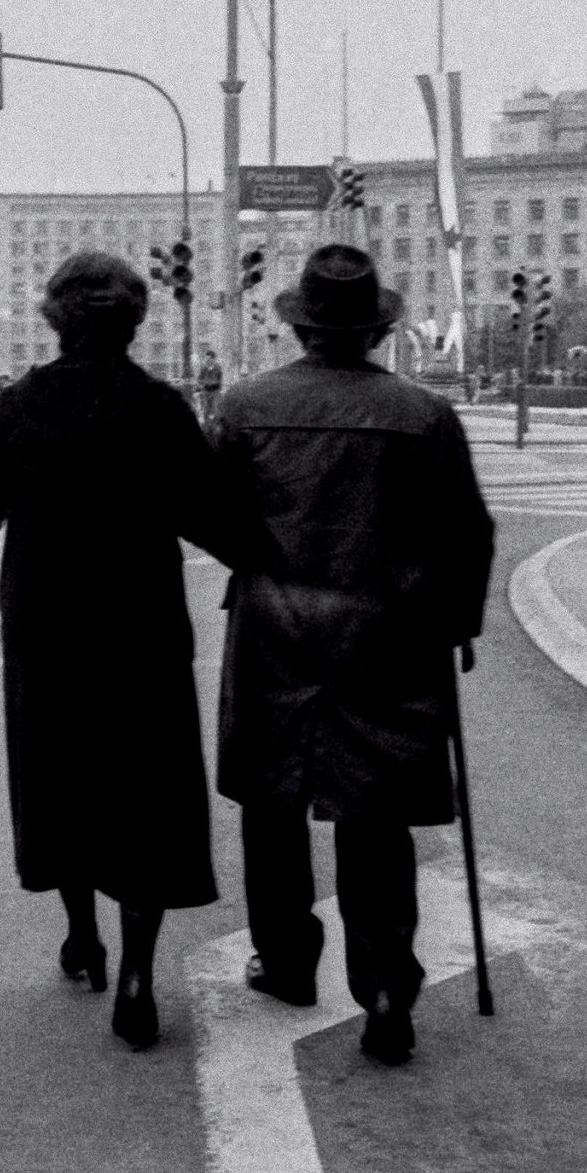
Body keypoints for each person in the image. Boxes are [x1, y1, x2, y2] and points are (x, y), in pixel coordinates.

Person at [0, 253, 269, 1051]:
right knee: (145, 792)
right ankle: (138, 976)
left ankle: (83, 936)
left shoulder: (19, 406)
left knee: (63, 780)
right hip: (141, 630)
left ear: (55, 320)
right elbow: (216, 523)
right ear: (135, 321)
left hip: (48, 631)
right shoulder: (159, 409)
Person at [209, 244, 495, 1067]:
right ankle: (382, 986)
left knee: (272, 802)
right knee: (375, 813)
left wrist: (258, 557)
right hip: (389, 628)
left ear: (301, 325)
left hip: (274, 625)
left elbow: (209, 509)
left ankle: (289, 962)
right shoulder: (423, 415)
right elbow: (466, 532)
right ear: (375, 328)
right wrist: (454, 620)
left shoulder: (244, 407)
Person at [196, 348, 225, 424]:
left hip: (215, 391)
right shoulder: (203, 368)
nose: (207, 360)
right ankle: (206, 426)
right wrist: (202, 385)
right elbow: (199, 378)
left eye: (209, 359)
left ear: (213, 359)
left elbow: (220, 379)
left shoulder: (218, 368)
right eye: (206, 359)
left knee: (215, 409)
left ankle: (215, 426)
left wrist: (218, 386)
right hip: (206, 391)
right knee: (205, 410)